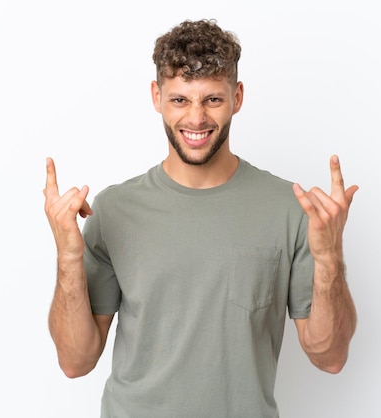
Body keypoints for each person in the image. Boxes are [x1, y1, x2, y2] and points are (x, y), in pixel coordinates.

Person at [43, 18, 358, 418]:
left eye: (212, 99)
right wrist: (68, 259)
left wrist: (330, 256)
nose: (196, 119)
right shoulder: (113, 209)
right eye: (179, 100)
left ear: (237, 97)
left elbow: (329, 357)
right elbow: (76, 361)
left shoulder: (290, 209)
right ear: (156, 96)